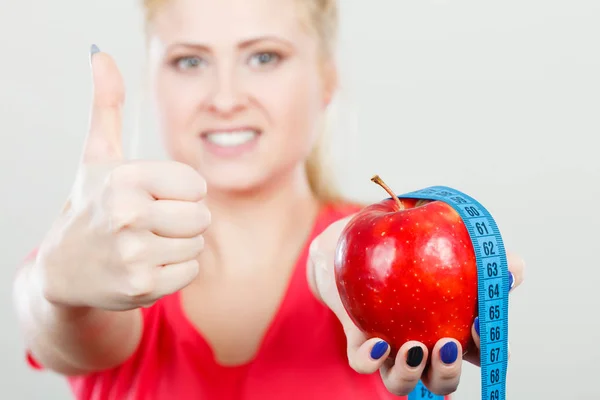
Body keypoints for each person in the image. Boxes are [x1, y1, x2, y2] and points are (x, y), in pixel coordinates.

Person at [12, 0, 525, 399]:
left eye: (263, 57)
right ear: (153, 82)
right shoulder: (110, 258)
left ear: (326, 79)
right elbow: (60, 328)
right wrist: (54, 285)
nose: (226, 97)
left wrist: (365, 276)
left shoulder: (390, 248)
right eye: (190, 60)